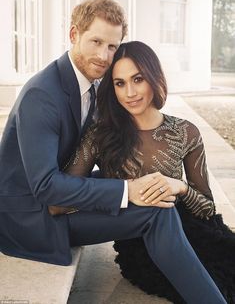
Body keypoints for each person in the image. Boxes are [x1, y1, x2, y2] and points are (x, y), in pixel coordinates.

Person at [0, 0, 226, 301]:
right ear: (73, 35)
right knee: (155, 212)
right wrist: (126, 190)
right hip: (32, 218)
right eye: (95, 41)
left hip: (57, 196)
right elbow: (45, 188)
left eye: (111, 46)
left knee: (159, 202)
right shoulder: (43, 95)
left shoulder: (89, 86)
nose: (103, 56)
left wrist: (163, 186)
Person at [60, 40, 232, 303]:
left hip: (195, 231)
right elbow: (64, 194)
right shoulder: (100, 136)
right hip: (142, 244)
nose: (130, 92)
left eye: (138, 79)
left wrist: (180, 187)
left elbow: (207, 207)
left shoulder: (185, 132)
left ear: (154, 78)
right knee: (217, 288)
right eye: (119, 83)